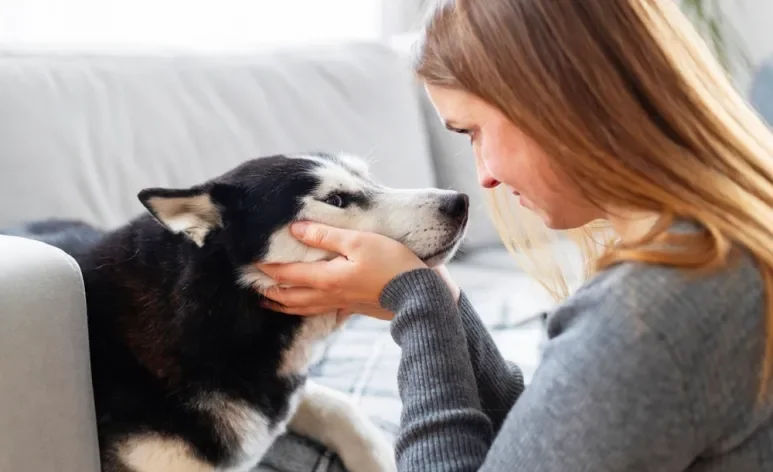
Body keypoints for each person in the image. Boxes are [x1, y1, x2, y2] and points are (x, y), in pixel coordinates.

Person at [257, 0, 773, 470]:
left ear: (554, 100)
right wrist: (445, 304)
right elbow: (555, 439)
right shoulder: (725, 247)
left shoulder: (653, 309)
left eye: (474, 131)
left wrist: (417, 306)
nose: (484, 176)